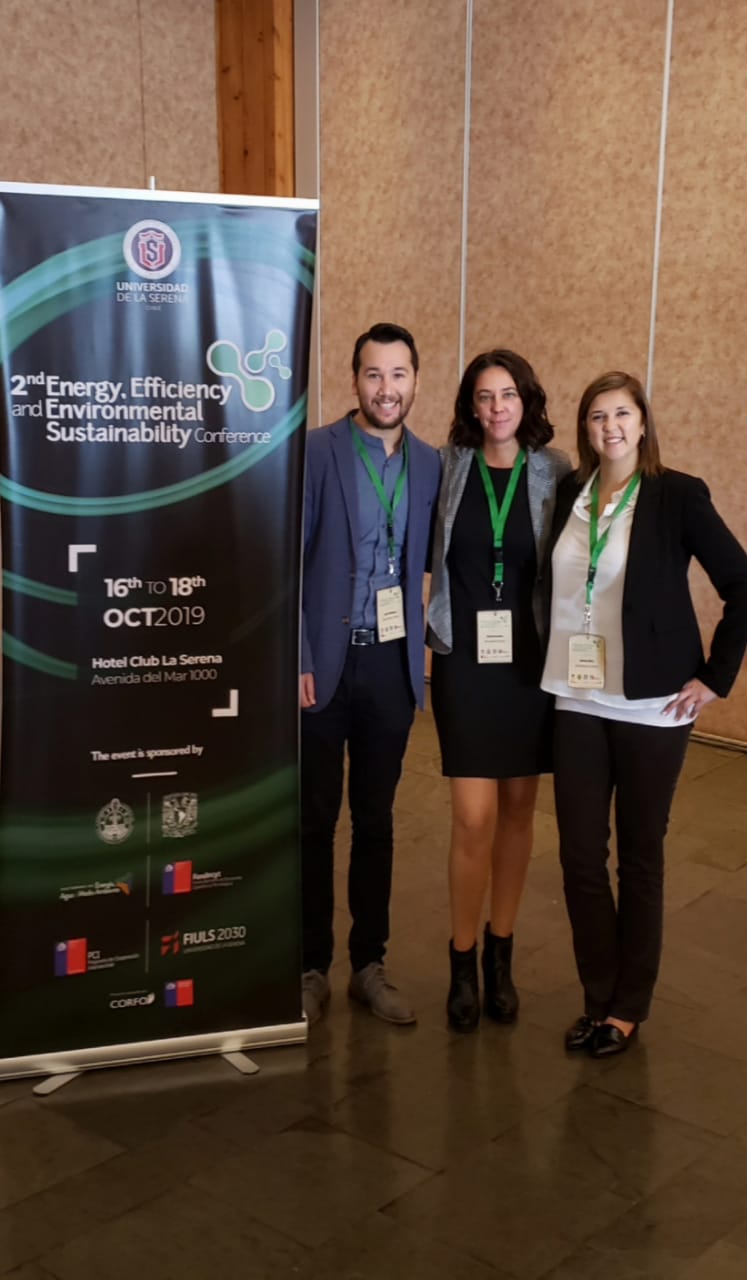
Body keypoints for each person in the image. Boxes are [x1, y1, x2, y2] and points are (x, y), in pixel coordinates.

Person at [542, 371, 747, 1057]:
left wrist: (715, 678)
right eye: (598, 416)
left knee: (639, 855)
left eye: (622, 414)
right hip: (576, 695)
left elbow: (743, 582)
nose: (610, 427)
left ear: (642, 423)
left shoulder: (677, 495)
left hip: (652, 704)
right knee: (580, 855)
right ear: (586, 428)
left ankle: (627, 1008)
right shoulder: (572, 494)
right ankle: (597, 995)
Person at [300, 322, 441, 1027]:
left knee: (376, 821)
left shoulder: (431, 463)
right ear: (354, 379)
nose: (387, 388)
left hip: (390, 663)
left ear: (416, 380)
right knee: (314, 821)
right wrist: (299, 656)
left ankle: (368, 966)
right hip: (323, 666)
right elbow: (286, 559)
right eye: (374, 374)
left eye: (398, 374)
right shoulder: (317, 451)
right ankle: (309, 966)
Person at [426, 350, 571, 1031]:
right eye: (484, 396)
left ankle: (500, 956)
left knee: (517, 811)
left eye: (507, 394)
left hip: (529, 664)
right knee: (472, 817)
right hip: (466, 662)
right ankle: (461, 959)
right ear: (470, 405)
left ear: (526, 399)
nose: (496, 408)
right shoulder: (446, 466)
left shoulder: (555, 471)